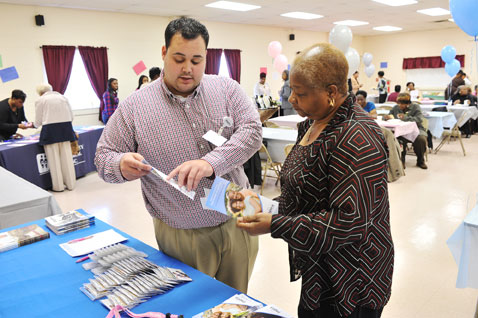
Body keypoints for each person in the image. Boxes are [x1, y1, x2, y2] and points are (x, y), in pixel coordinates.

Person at [94, 17, 262, 294]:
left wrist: (210, 162)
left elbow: (253, 131)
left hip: (239, 214)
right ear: (163, 53)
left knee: (238, 301)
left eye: (197, 60)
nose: (187, 69)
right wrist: (121, 165)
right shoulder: (135, 106)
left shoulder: (226, 88)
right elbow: (103, 157)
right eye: (179, 58)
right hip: (182, 228)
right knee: (191, 303)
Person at [237, 43, 394, 318]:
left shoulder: (358, 138)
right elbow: (305, 192)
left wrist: (276, 224)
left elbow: (349, 223)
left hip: (351, 278)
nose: (292, 99)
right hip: (318, 265)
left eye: (301, 93)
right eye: (292, 91)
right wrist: (263, 205)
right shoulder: (313, 123)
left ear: (331, 92)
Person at [34, 83, 76, 192]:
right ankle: (71, 184)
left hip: (50, 131)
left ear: (40, 92)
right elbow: (71, 116)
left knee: (54, 160)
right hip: (65, 129)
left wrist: (33, 125)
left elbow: (38, 121)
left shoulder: (41, 100)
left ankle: (59, 187)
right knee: (67, 158)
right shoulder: (63, 97)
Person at [385, 92, 428, 169]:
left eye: (402, 104)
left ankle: (420, 160)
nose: (400, 106)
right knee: (397, 139)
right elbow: (389, 116)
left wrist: (405, 118)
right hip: (400, 130)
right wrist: (386, 117)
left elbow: (419, 119)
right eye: (399, 103)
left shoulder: (415, 107)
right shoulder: (396, 108)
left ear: (408, 103)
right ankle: (401, 161)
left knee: (421, 139)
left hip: (416, 129)